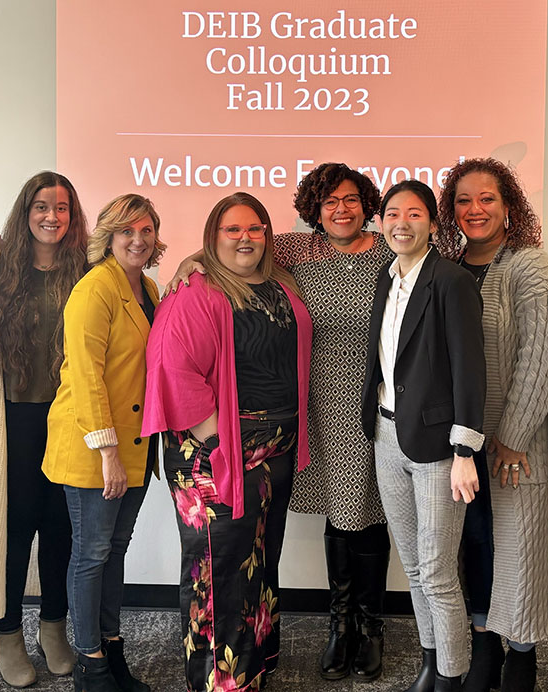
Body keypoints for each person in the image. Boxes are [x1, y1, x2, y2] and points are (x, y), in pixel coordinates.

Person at [168, 163, 393, 681]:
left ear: (367, 204)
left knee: (351, 518)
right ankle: (332, 629)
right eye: (329, 201)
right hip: (283, 422)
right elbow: (232, 252)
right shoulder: (296, 251)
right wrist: (191, 259)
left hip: (363, 407)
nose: (341, 209)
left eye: (351, 199)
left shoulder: (388, 250)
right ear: (315, 209)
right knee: (234, 556)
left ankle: (367, 629)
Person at [144, 192, 313, 692]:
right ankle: (220, 682)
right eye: (231, 229)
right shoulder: (195, 291)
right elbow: (173, 368)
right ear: (212, 237)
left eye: (255, 228)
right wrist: (221, 442)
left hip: (273, 452)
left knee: (258, 561)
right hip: (215, 455)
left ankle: (252, 664)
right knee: (218, 573)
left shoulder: (279, 281)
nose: (245, 238)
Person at [435, 158, 548, 692]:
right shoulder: (446, 269)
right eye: (463, 200)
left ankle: (523, 654)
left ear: (508, 205)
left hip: (518, 442)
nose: (475, 209)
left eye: (487, 198)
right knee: (473, 545)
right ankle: (484, 643)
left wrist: (511, 437)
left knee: (519, 548)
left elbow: (543, 359)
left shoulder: (531, 267)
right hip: (460, 445)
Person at [361, 180, 485, 692]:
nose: (401, 223)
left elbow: (470, 370)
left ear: (433, 224)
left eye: (414, 214)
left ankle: (452, 677)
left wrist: (464, 450)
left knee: (437, 572)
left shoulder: (452, 281)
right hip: (387, 436)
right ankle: (432, 664)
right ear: (381, 222)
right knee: (413, 566)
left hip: (438, 447)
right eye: (392, 213)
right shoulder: (386, 278)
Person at [42, 194, 164, 692]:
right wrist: (108, 453)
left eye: (146, 230)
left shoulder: (148, 287)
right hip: (95, 447)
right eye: (126, 231)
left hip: (136, 446)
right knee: (91, 553)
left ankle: (112, 651)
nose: (138, 240)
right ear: (108, 237)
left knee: (115, 550)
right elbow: (86, 376)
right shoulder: (93, 289)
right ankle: (90, 664)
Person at [0, 172, 89, 687]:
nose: (51, 216)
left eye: (62, 208)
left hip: (69, 419)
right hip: (14, 417)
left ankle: (54, 627)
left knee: (63, 527)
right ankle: (7, 633)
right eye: (41, 206)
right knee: (15, 527)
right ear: (26, 213)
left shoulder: (87, 269)